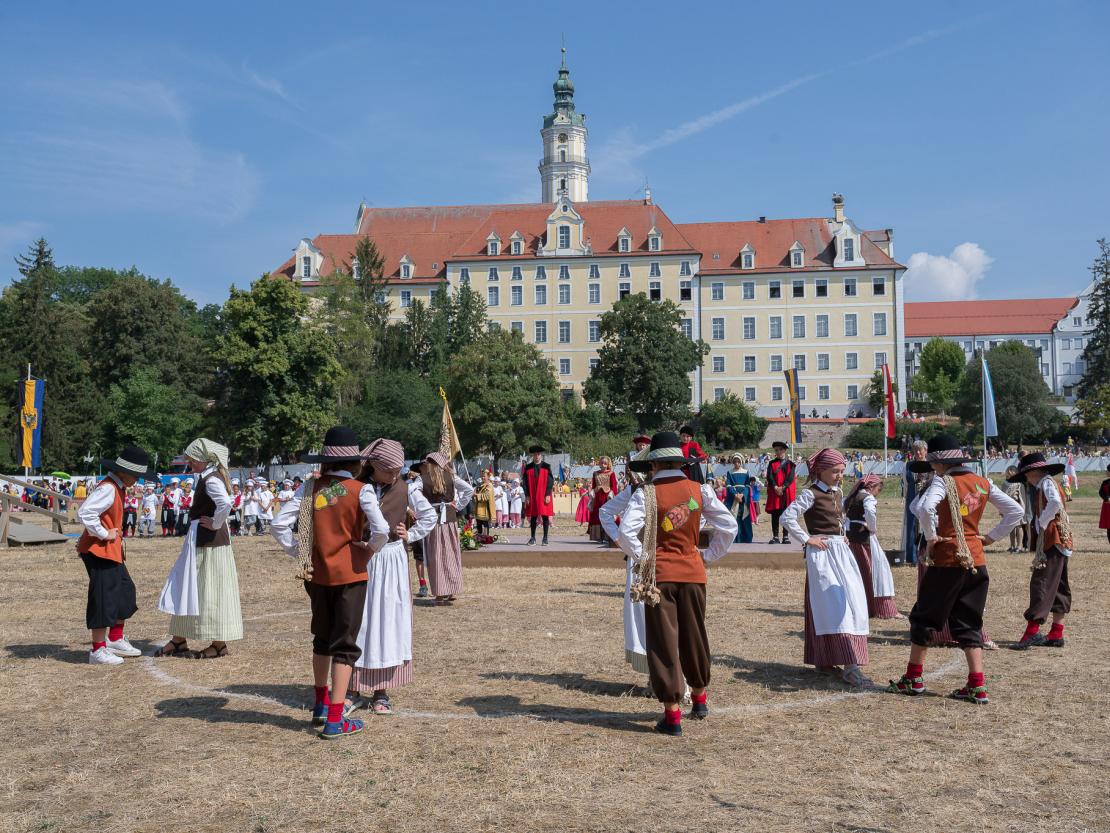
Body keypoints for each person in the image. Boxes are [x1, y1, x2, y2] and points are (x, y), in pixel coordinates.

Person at [271, 426, 389, 740]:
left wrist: (298, 550)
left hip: (317, 574)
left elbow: (278, 523)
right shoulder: (360, 489)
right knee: (345, 647)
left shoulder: (310, 488)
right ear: (354, 460)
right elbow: (381, 531)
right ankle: (336, 720)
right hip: (350, 574)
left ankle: (321, 705)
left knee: (321, 639)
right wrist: (368, 552)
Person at [617, 431, 737, 736]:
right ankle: (699, 698)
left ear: (654, 465)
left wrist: (646, 559)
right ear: (680, 462)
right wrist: (707, 556)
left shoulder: (646, 494)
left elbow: (625, 534)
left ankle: (672, 716)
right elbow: (729, 526)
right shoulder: (699, 491)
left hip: (660, 578)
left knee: (663, 641)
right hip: (693, 572)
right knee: (695, 633)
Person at [889, 434, 1021, 703]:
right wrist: (991, 537)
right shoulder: (982, 483)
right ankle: (977, 685)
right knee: (969, 621)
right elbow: (1016, 512)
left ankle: (913, 679)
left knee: (924, 617)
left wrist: (931, 536)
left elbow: (925, 508)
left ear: (938, 462)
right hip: (976, 559)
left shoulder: (944, 480)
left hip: (948, 558)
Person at [344, 439, 437, 716]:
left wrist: (412, 534)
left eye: (398, 470)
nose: (394, 476)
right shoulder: (356, 486)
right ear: (372, 465)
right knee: (359, 621)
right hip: (362, 557)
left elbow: (428, 516)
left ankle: (381, 691)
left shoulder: (406, 488)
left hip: (392, 559)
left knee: (386, 621)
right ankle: (351, 689)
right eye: (389, 471)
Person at [781, 448, 872, 688]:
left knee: (849, 602)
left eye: (842, 471)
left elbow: (838, 519)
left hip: (840, 552)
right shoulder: (810, 494)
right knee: (831, 606)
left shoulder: (838, 491)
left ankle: (827, 659)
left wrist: (842, 535)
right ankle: (848, 665)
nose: (839, 475)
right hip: (822, 554)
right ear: (820, 471)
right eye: (834, 471)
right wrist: (807, 539)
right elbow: (787, 517)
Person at [155, 439, 243, 660]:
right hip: (201, 539)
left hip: (210, 542)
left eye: (192, 460)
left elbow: (225, 503)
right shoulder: (209, 476)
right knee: (189, 585)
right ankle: (179, 639)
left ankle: (219, 644)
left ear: (203, 459)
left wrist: (214, 523)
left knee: (210, 588)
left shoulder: (212, 479)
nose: (189, 463)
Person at [76, 446, 153, 665]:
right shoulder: (109, 488)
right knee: (104, 597)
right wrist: (103, 533)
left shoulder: (117, 487)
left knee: (125, 591)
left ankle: (115, 638)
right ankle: (97, 650)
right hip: (99, 551)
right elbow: (85, 512)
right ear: (122, 472)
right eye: (136, 475)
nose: (137, 480)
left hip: (110, 551)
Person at [1009, 453, 1074, 650]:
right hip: (1060, 541)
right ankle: (1056, 633)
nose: (1027, 480)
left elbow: (1054, 503)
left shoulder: (1046, 484)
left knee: (1042, 583)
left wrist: (1042, 522)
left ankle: (1032, 632)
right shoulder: (1048, 483)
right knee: (1059, 585)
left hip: (1053, 539)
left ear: (1034, 472)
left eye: (1027, 476)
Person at [420, 451, 475, 605]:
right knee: (450, 555)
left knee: (436, 555)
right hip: (449, 521)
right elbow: (469, 490)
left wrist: (422, 508)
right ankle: (451, 591)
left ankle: (439, 595)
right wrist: (457, 506)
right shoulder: (451, 477)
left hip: (434, 520)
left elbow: (411, 492)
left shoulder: (423, 479)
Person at [843, 475, 902, 619]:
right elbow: (870, 513)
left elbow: (843, 515)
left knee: (857, 573)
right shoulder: (867, 498)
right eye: (878, 489)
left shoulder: (853, 497)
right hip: (864, 540)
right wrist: (872, 527)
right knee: (875, 572)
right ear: (871, 487)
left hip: (851, 538)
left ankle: (861, 606)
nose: (878, 492)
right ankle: (881, 608)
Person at [900, 440, 929, 564]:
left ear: (925, 451)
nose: (918, 452)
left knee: (926, 526)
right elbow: (905, 484)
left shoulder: (931, 465)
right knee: (912, 527)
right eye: (915, 450)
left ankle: (925, 554)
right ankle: (912, 557)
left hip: (927, 500)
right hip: (911, 498)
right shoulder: (908, 465)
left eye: (920, 450)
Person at [406, 463, 431, 598]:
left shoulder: (435, 482)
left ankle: (438, 584)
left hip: (433, 522)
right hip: (416, 523)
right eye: (423, 466)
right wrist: (408, 510)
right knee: (419, 554)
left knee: (434, 554)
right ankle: (422, 584)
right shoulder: (410, 484)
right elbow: (400, 498)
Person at [764, 442, 796, 544]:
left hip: (785, 492)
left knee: (786, 514)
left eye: (779, 450)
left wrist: (783, 487)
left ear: (784, 450)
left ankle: (785, 536)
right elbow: (770, 476)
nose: (778, 452)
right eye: (776, 450)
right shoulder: (772, 463)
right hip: (775, 492)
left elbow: (790, 478)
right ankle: (775, 536)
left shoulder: (790, 464)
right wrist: (775, 487)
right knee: (775, 514)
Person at [522, 445, 554, 546]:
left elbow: (550, 481)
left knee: (545, 516)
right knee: (533, 516)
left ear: (541, 455)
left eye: (538, 454)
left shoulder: (546, 466)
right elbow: (525, 482)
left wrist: (548, 494)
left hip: (544, 494)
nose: (537, 456)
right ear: (533, 455)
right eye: (535, 454)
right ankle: (533, 538)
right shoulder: (528, 467)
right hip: (532, 494)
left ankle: (545, 538)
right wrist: (527, 495)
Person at [723, 454, 757, 544]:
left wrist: (742, 495)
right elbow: (729, 485)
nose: (736, 463)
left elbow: (747, 485)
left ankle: (745, 538)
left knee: (744, 516)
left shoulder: (745, 472)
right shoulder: (730, 472)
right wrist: (735, 495)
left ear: (741, 462)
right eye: (735, 462)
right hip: (734, 498)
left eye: (738, 462)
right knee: (735, 516)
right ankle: (735, 538)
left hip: (743, 497)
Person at [588, 456, 618, 544]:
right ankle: (598, 537)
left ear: (608, 464)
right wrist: (592, 493)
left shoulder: (611, 473)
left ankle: (607, 537)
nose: (603, 465)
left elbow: (614, 487)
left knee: (607, 516)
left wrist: (612, 496)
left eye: (605, 463)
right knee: (597, 516)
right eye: (601, 463)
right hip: (597, 498)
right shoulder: (595, 473)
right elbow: (593, 486)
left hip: (607, 498)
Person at [1003, 466, 1028, 552]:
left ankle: (1019, 546)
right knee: (1010, 527)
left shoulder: (1019, 484)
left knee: (1018, 526)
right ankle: (1012, 545)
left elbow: (1022, 498)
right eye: (1008, 474)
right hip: (1008, 508)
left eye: (1011, 474)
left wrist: (1023, 510)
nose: (1009, 476)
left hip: (1017, 508)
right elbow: (1002, 497)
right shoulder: (1005, 483)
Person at [473, 470, 496, 536]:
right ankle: (479, 536)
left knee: (485, 523)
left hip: (485, 509)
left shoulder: (489, 485)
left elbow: (486, 496)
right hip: (479, 508)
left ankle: (485, 537)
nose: (483, 477)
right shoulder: (481, 485)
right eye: (482, 476)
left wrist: (476, 495)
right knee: (478, 523)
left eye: (484, 476)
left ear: (488, 477)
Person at [1100, 464, 1110, 545]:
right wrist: (1106, 498)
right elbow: (1101, 492)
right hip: (1107, 506)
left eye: (1108, 470)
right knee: (1109, 526)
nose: (1106, 472)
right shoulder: (1105, 482)